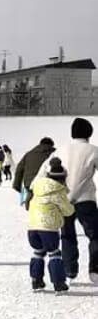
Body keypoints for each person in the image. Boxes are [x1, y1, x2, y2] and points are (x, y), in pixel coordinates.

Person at [37, 118, 98, 282]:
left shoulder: (60, 151)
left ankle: (69, 270)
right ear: (89, 133)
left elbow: (43, 172)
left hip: (62, 198)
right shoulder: (93, 150)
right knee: (95, 235)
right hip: (86, 200)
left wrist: (35, 193)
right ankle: (95, 269)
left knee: (67, 235)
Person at [27, 157, 73, 294]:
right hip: (48, 229)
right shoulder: (58, 191)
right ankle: (59, 283)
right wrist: (71, 206)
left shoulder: (37, 186)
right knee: (54, 253)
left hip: (32, 227)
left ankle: (36, 280)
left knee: (38, 252)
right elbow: (67, 211)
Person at [13, 137, 55, 208]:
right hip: (48, 185)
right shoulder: (54, 153)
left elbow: (19, 169)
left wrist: (16, 185)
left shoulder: (29, 154)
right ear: (51, 145)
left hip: (29, 185)